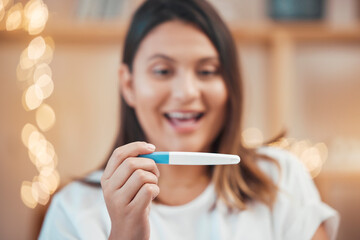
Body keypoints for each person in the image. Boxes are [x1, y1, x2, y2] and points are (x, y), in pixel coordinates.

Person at [39, 0, 339, 239]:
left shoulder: (281, 179)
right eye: (162, 71)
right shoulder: (73, 209)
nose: (186, 92)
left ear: (229, 84)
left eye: (207, 71)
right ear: (129, 85)